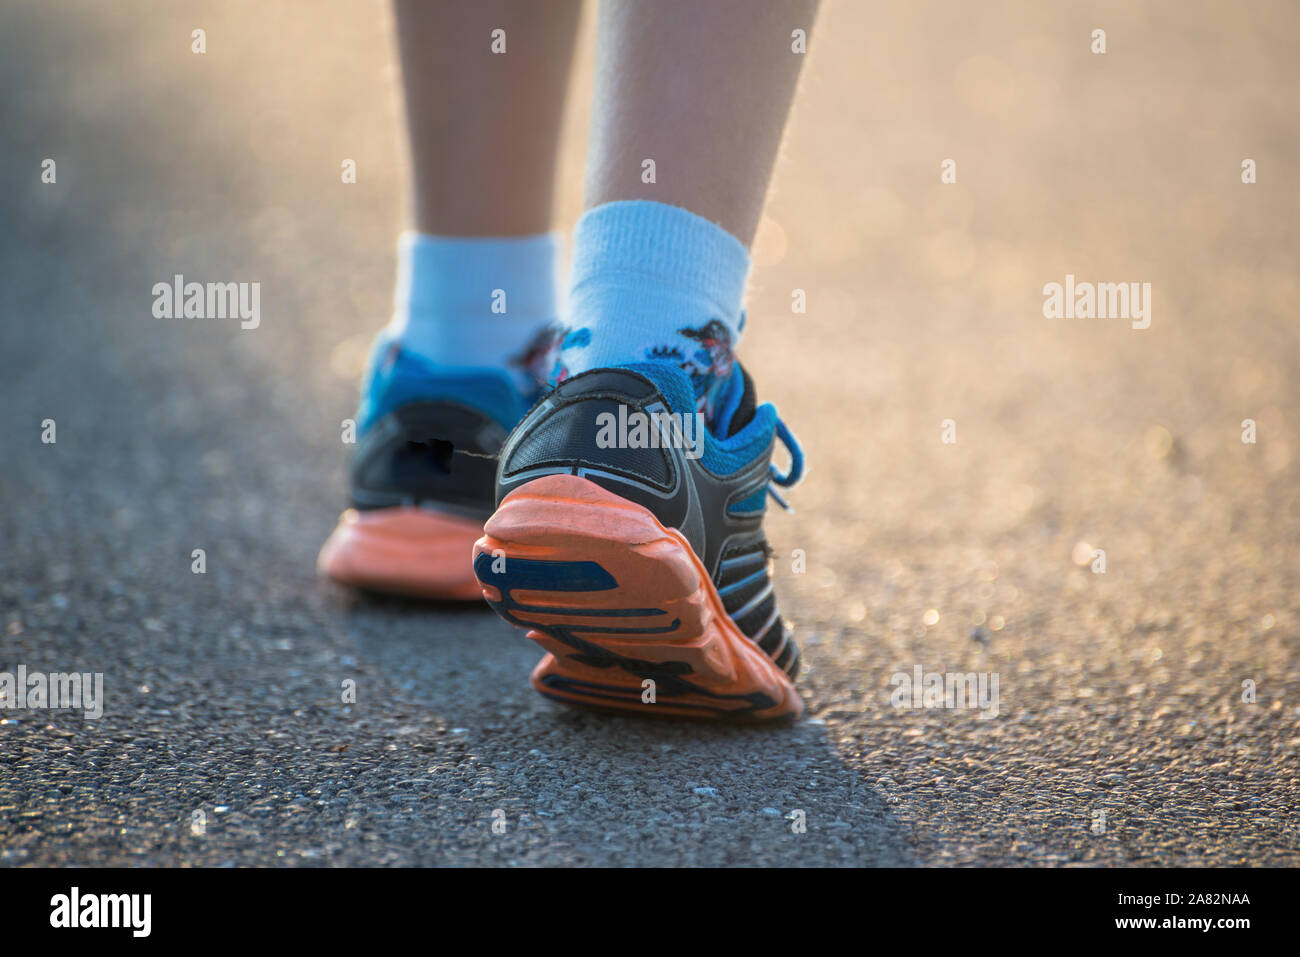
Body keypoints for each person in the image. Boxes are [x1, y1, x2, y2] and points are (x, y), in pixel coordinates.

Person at [319, 0, 818, 720]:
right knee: (645, 379)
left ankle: (457, 370)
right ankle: (648, 389)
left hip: (434, 425)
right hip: (649, 453)